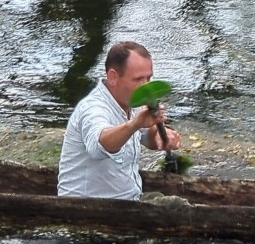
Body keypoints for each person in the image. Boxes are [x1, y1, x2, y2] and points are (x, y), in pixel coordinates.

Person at [57, 41, 182, 199]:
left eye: (148, 78)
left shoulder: (131, 102)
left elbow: (146, 136)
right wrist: (135, 123)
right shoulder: (93, 109)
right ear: (113, 77)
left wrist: (159, 137)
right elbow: (99, 146)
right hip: (87, 207)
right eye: (138, 80)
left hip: (127, 199)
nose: (145, 87)